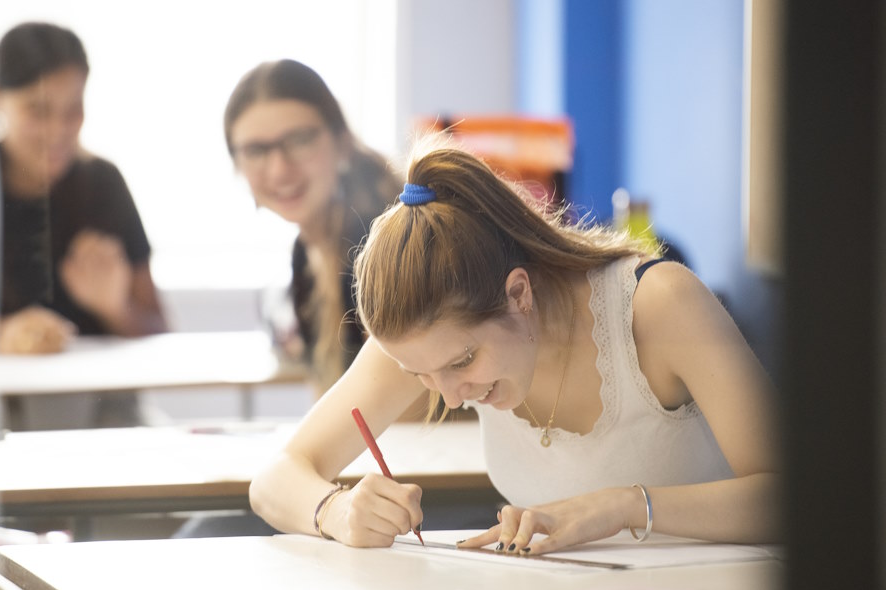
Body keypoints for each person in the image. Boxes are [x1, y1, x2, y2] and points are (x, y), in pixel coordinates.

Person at [248, 138, 779, 555]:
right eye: (422, 376)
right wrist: (334, 511)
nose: (452, 397)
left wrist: (624, 506)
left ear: (518, 293)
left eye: (463, 362)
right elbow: (276, 477)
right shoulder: (424, 343)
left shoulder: (658, 305)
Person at [0, 22, 166, 354]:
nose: (58, 131)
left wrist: (115, 308)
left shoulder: (103, 184)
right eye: (37, 110)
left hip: (97, 404)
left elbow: (160, 330)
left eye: (73, 109)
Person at [224, 59, 399, 395]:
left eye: (300, 140)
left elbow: (397, 411)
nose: (279, 170)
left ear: (342, 142)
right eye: (256, 150)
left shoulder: (379, 246)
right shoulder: (306, 253)